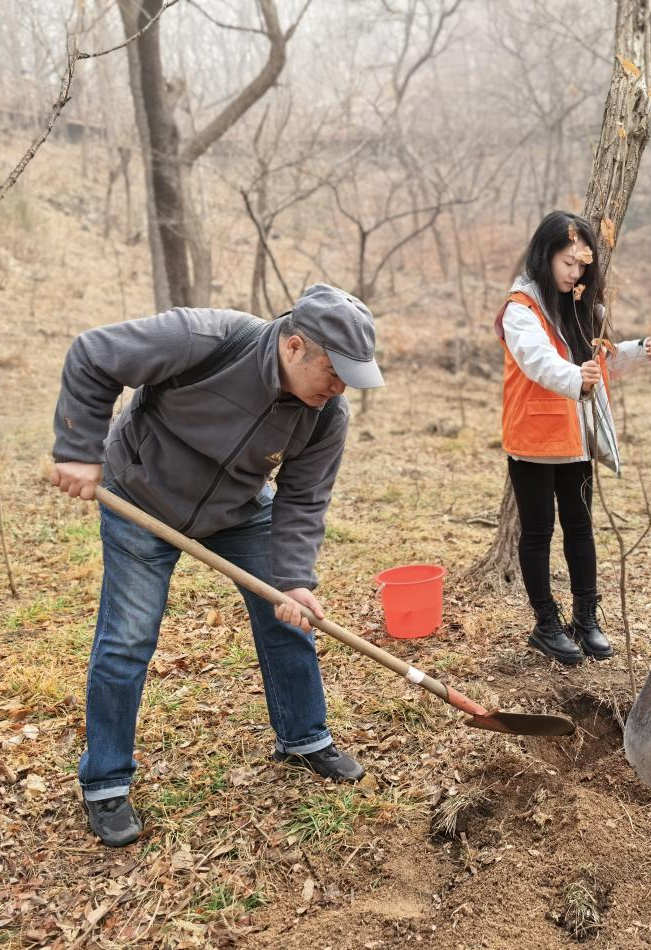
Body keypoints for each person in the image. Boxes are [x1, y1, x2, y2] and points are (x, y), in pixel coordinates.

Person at [50, 284, 384, 847]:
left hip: (239, 509)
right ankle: (106, 780)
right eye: (334, 371)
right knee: (127, 638)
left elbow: (303, 500)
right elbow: (93, 354)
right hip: (140, 499)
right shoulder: (205, 338)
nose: (340, 387)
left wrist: (295, 580)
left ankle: (304, 737)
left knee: (289, 614)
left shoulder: (326, 416)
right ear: (295, 347)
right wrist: (79, 449)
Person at [494, 210, 651, 665]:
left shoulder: (586, 308)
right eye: (568, 263)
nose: (575, 273)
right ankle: (546, 623)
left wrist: (633, 353)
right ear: (545, 256)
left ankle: (586, 617)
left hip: (576, 438)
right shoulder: (520, 309)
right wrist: (576, 378)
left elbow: (599, 365)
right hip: (532, 439)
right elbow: (537, 360)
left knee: (581, 528)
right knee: (539, 531)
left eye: (582, 264)